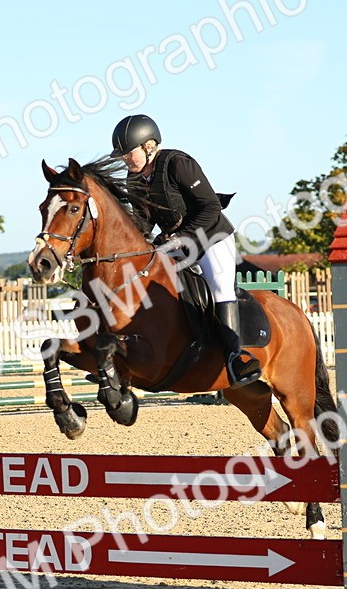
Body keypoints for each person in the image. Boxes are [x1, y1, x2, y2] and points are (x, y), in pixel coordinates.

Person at [110, 114, 259, 386]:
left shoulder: (178, 164)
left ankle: (236, 357)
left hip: (211, 238)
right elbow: (142, 225)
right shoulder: (133, 180)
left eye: (127, 153)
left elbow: (211, 207)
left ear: (148, 146)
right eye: (121, 156)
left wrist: (183, 236)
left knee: (219, 288)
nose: (124, 160)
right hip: (176, 244)